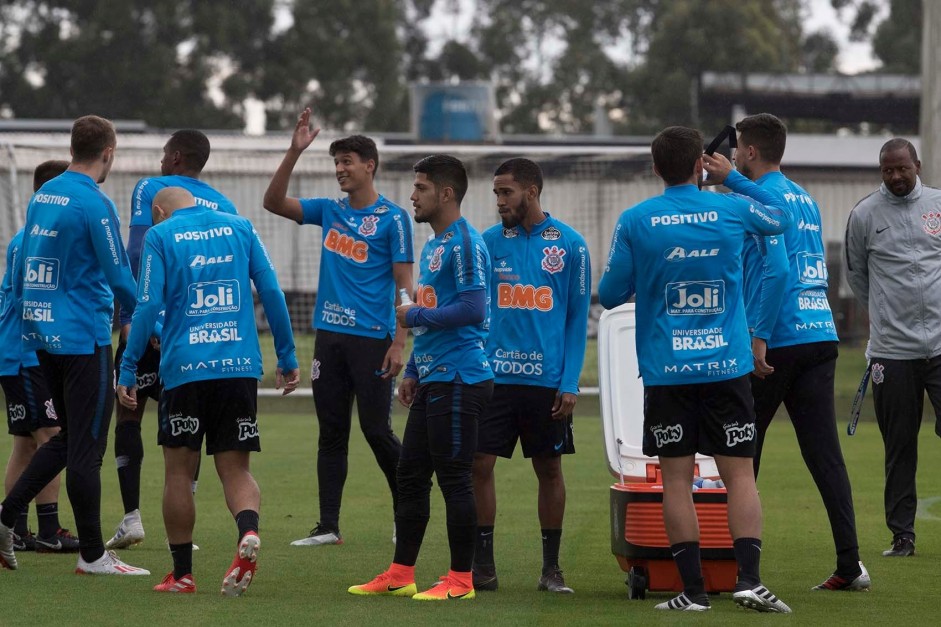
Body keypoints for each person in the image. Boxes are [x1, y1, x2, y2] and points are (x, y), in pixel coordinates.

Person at [599, 126, 792, 613]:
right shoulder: (731, 207)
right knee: (740, 477)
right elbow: (781, 218)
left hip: (667, 373)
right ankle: (749, 581)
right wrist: (735, 181)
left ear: (655, 167)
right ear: (699, 165)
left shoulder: (636, 220)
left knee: (677, 481)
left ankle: (694, 593)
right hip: (727, 366)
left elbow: (612, 293)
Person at [706, 113, 868, 591]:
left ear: (751, 153)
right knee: (825, 456)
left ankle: (736, 569)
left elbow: (776, 272)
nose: (733, 157)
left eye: (738, 151)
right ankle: (850, 564)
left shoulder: (765, 196)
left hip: (779, 337)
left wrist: (757, 334)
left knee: (739, 453)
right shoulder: (803, 196)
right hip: (820, 333)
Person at [116, 186, 300, 595]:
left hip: (185, 369)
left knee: (179, 472)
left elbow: (146, 307)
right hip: (238, 368)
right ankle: (247, 531)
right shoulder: (241, 227)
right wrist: (286, 356)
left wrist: (128, 366)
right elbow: (271, 292)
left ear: (159, 211)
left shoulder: (160, 236)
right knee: (236, 469)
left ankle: (182, 574)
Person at [0, 115, 148, 575]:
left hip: (42, 338)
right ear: (108, 152)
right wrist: (149, 315)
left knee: (66, 440)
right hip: (83, 340)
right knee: (87, 448)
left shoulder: (43, 195)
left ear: (72, 148)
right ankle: (91, 555)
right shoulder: (94, 203)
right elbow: (120, 275)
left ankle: (6, 516)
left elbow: (30, 267)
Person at [263, 108, 413, 546]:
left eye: (347, 162)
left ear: (370, 166)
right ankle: (328, 526)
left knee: (376, 430)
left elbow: (406, 285)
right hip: (329, 340)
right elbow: (273, 203)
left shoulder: (394, 218)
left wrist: (400, 341)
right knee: (331, 433)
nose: (340, 170)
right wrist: (293, 152)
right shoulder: (329, 210)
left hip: (374, 340)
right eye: (335, 163)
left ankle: (408, 509)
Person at [348, 155, 493, 601]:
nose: (412, 195)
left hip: (460, 377)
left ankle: (461, 580)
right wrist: (412, 369)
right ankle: (401, 572)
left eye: (421, 188)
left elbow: (474, 309)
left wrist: (415, 315)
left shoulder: (465, 243)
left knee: (455, 479)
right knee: (410, 476)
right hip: (434, 376)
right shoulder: (433, 244)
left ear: (446, 193)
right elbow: (435, 316)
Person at [107, 129, 239, 551]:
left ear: (177, 157)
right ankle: (181, 534)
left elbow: (136, 254)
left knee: (128, 412)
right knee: (188, 429)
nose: (162, 158)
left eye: (165, 152)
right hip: (194, 336)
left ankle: (131, 518)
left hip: (151, 326)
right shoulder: (225, 204)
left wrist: (132, 319)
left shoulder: (153, 187)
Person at [472, 158, 590, 594]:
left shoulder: (571, 246)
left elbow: (577, 320)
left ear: (532, 191)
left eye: (507, 192)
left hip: (546, 384)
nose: (499, 201)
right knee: (478, 464)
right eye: (496, 193)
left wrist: (570, 381)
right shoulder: (486, 244)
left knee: (549, 469)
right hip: (494, 379)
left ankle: (551, 569)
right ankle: (483, 566)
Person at [845, 137, 941, 559]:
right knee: (899, 446)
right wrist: (887, 318)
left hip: (940, 345)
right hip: (892, 352)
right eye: (888, 170)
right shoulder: (865, 214)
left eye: (902, 168)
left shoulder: (938, 205)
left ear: (917, 165)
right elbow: (857, 278)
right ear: (880, 170)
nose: (896, 176)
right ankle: (903, 536)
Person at [1, 160, 78, 555]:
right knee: (52, 438)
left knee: (27, 444)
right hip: (24, 355)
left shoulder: (38, 238)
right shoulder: (29, 241)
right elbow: (22, 298)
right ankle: (47, 529)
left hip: (26, 354)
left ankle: (17, 530)